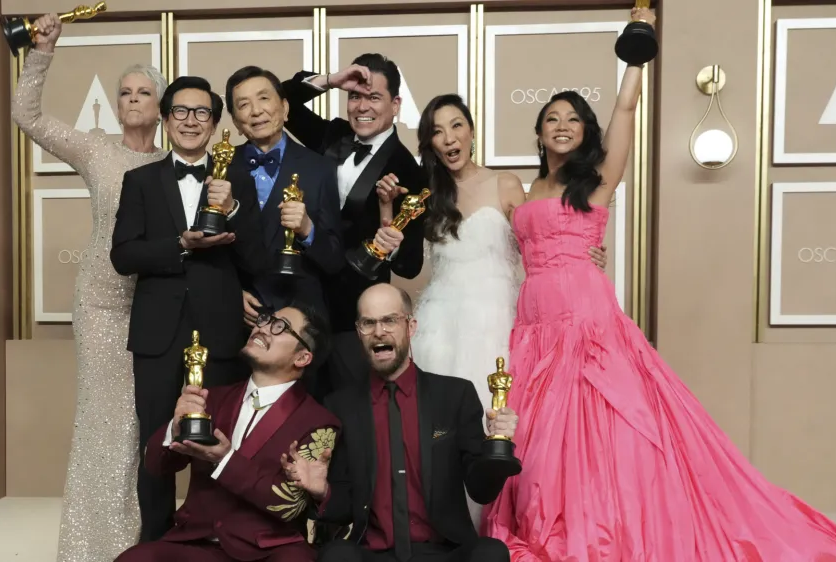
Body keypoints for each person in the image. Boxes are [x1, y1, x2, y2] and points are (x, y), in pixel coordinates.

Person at [482, 9, 836, 561]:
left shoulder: (595, 183)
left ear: (585, 131)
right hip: (532, 328)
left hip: (584, 320)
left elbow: (624, 108)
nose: (562, 124)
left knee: (596, 432)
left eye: (573, 118)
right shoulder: (524, 188)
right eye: (551, 118)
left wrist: (639, 49)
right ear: (538, 130)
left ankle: (594, 527)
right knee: (539, 442)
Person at [399, 93, 606, 528]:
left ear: (472, 131)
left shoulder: (506, 184)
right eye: (437, 131)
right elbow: (407, 262)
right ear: (429, 143)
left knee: (493, 426)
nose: (449, 138)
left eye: (457, 126)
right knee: (435, 431)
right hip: (439, 326)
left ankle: (488, 529)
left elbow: (542, 239)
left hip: (495, 321)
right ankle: (436, 532)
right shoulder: (426, 197)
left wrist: (584, 255)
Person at [9, 13, 169, 561]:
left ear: (162, 104)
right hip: (101, 302)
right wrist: (44, 50)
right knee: (103, 420)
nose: (130, 99)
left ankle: (140, 539)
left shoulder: (176, 163)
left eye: (143, 92)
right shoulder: (95, 149)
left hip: (155, 303)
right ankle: (91, 545)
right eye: (124, 92)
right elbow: (25, 115)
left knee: (144, 423)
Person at [110, 75, 268, 543]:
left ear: (216, 123)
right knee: (156, 443)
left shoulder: (234, 177)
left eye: (202, 112)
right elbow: (123, 256)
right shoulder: (139, 180)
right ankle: (155, 543)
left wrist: (235, 208)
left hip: (220, 331)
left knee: (217, 443)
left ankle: (212, 540)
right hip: (158, 332)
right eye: (181, 111)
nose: (191, 121)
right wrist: (180, 244)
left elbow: (258, 259)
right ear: (164, 119)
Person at [283, 283, 517, 562]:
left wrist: (496, 447)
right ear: (359, 332)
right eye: (368, 323)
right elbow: (346, 506)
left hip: (444, 552)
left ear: (411, 326)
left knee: (491, 553)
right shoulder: (340, 406)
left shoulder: (455, 395)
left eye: (390, 320)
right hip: (375, 554)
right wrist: (323, 490)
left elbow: (481, 490)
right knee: (336, 555)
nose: (379, 331)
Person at [114, 304, 341, 562]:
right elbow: (155, 465)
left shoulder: (319, 422)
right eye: (265, 319)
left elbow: (289, 505)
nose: (262, 327)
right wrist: (174, 427)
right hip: (198, 545)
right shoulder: (213, 398)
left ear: (302, 357)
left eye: (280, 327)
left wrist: (224, 459)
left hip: (270, 551)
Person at [280, 54, 426, 398]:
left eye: (374, 97)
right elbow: (284, 101)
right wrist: (331, 79)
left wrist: (390, 232)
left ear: (395, 105)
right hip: (303, 300)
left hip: (355, 317)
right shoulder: (333, 135)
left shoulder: (410, 172)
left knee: (350, 416)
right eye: (356, 96)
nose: (363, 106)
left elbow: (411, 265)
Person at [224, 66, 345, 389]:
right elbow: (206, 252)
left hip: (301, 330)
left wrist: (308, 229)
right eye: (243, 104)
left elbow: (335, 259)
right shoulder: (220, 166)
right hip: (238, 327)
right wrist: (230, 293)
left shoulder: (320, 168)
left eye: (264, 98)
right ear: (235, 121)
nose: (256, 110)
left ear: (285, 107)